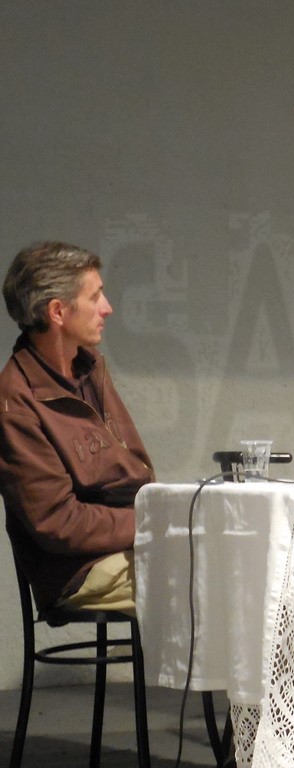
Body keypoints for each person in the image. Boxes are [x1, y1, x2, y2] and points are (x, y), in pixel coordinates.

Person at [0, 241, 153, 617]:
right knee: (204, 582)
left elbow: (138, 470)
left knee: (240, 566)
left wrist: (167, 516)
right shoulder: (16, 400)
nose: (107, 308)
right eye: (95, 296)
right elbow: (59, 523)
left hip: (130, 544)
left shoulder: (91, 367)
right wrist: (151, 521)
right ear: (57, 311)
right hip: (77, 570)